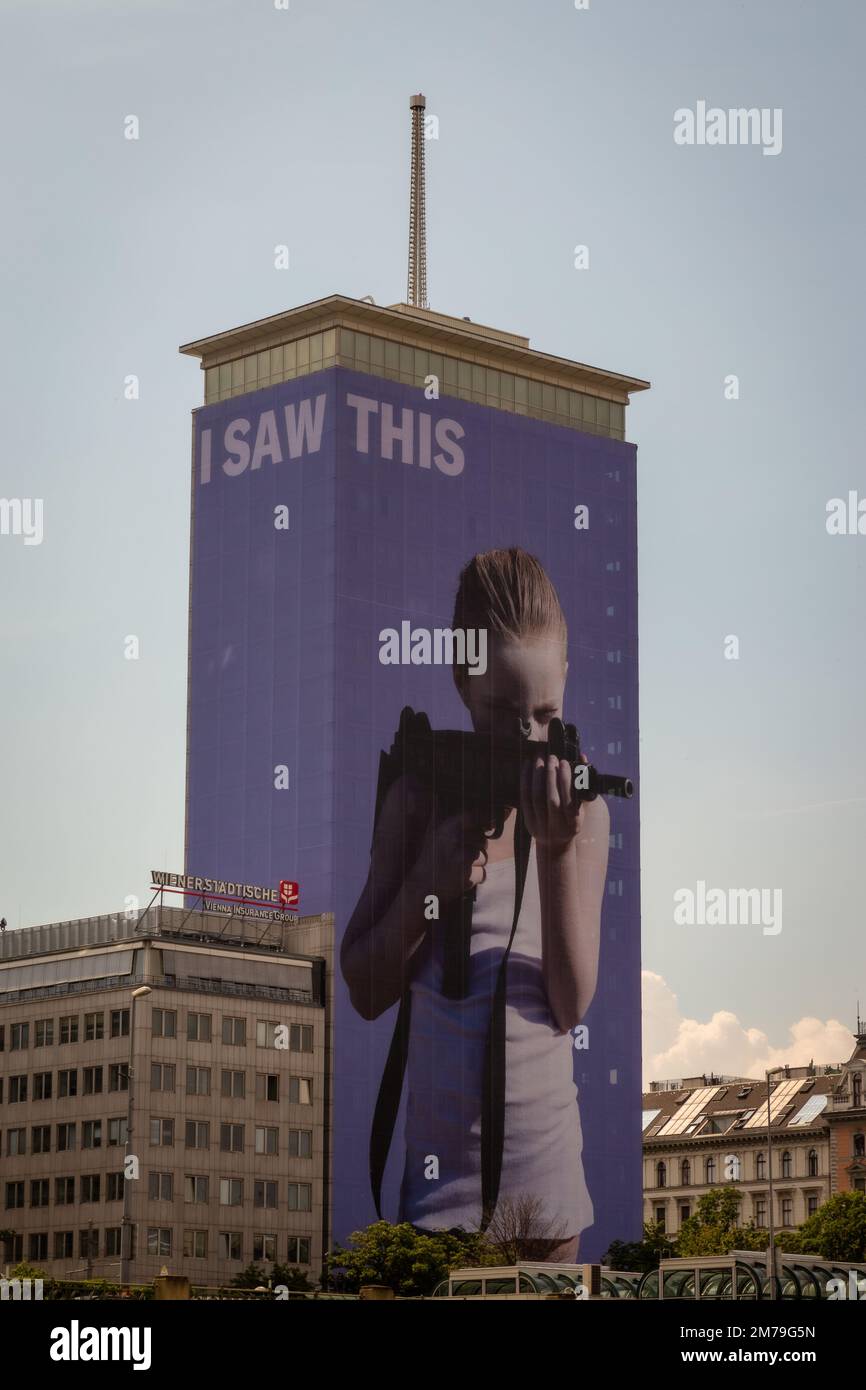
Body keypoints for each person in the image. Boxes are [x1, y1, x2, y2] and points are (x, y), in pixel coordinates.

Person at [341, 548, 610, 1260]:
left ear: (567, 682)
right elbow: (365, 988)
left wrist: (553, 853)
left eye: (545, 714)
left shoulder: (582, 813)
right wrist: (428, 883)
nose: (526, 738)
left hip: (549, 1199)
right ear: (461, 678)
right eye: (501, 713)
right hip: (438, 1207)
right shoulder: (418, 796)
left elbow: (570, 1003)